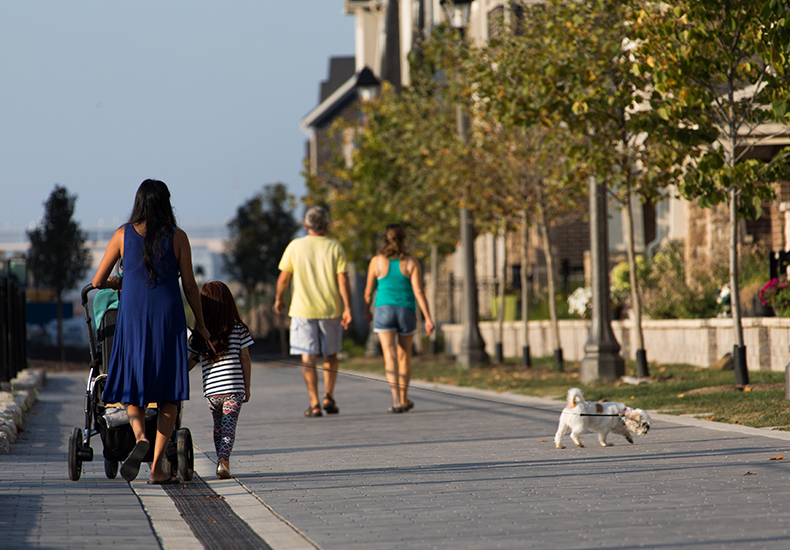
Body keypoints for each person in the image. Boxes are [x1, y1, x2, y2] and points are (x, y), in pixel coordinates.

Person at [92, 179, 210, 484]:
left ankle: (140, 434)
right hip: (168, 318)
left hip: (132, 317)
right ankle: (156, 467)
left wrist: (118, 283)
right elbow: (191, 286)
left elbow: (97, 281)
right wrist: (201, 322)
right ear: (166, 203)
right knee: (169, 393)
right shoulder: (178, 237)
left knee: (134, 384)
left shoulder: (122, 235)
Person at [274, 206, 352, 418]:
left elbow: (283, 277)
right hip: (331, 309)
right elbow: (343, 279)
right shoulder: (335, 247)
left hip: (302, 309)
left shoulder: (295, 246)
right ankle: (328, 395)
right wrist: (348, 308)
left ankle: (314, 403)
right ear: (327, 225)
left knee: (308, 358)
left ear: (306, 225)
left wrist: (279, 298)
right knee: (330, 354)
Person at [364, 224, 435, 413]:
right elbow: (419, 291)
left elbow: (368, 292)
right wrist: (427, 318)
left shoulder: (376, 262)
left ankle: (395, 401)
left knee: (390, 356)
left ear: (384, 239)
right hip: (406, 311)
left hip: (384, 311)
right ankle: (404, 399)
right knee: (405, 357)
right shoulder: (412, 262)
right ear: (404, 239)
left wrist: (366, 311)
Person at [188, 281, 253, 479]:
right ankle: (223, 461)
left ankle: (221, 461)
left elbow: (191, 362)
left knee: (218, 427)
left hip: (212, 390)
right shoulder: (239, 329)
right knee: (229, 426)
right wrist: (247, 387)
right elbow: (245, 358)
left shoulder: (200, 335)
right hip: (234, 387)